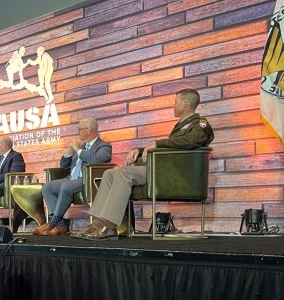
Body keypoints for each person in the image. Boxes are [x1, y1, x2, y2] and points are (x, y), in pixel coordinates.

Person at [74, 88, 215, 240]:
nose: (173, 106)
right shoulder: (181, 125)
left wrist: (157, 144)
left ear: (185, 103)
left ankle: (109, 226)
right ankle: (97, 223)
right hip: (161, 169)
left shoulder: (200, 124)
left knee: (124, 172)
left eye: (175, 102)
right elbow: (172, 145)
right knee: (109, 173)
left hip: (176, 175)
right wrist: (139, 150)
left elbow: (191, 141)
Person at [32, 117, 112, 236]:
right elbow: (64, 165)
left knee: (66, 186)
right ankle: (61, 226)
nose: (78, 132)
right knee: (47, 187)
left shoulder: (104, 146)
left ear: (89, 130)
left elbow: (96, 160)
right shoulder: (80, 146)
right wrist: (69, 152)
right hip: (71, 178)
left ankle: (52, 222)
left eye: (80, 129)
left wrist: (78, 151)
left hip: (88, 179)